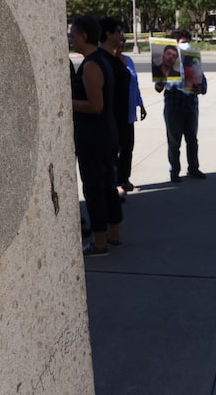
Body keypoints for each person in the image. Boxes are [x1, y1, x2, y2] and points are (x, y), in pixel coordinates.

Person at [70, 16, 123, 257]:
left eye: (73, 34)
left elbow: (95, 105)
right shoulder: (104, 59)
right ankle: (114, 235)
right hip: (106, 133)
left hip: (94, 136)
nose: (70, 38)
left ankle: (99, 243)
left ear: (83, 37)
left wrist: (67, 102)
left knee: (95, 189)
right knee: (108, 185)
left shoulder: (92, 65)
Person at [155, 30, 207, 182]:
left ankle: (193, 167)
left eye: (187, 42)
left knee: (192, 140)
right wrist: (160, 81)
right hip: (173, 106)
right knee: (174, 141)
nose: (186, 45)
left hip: (190, 106)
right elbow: (158, 88)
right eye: (182, 42)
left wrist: (200, 89)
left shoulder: (193, 61)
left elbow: (203, 84)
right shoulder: (166, 63)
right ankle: (174, 170)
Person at [99, 18, 132, 200]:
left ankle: (115, 188)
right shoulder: (101, 61)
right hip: (110, 122)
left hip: (121, 120)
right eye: (118, 31)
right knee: (108, 163)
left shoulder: (115, 59)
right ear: (108, 34)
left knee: (119, 156)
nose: (121, 35)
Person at [115, 34, 146, 193]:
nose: (121, 45)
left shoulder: (129, 60)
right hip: (115, 115)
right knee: (116, 150)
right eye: (118, 42)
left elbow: (135, 84)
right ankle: (115, 183)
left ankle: (124, 179)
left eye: (123, 43)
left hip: (129, 112)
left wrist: (140, 104)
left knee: (128, 148)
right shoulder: (109, 62)